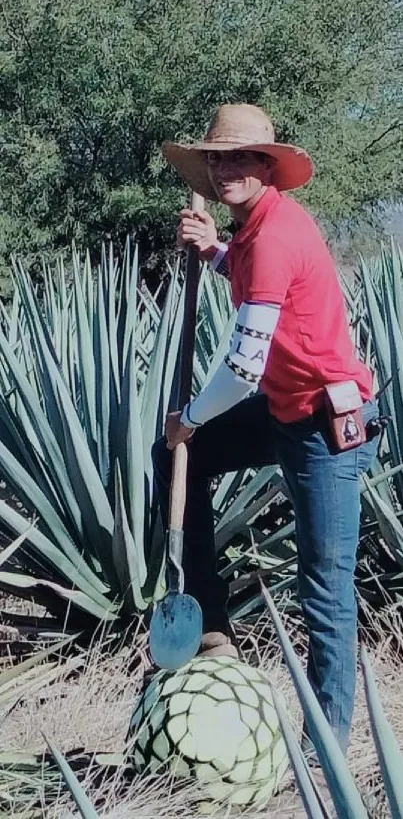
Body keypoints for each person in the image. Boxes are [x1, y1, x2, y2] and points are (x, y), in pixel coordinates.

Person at [152, 103, 380, 757]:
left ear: (266, 167)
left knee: (323, 587)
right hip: (284, 412)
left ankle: (324, 750)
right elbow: (252, 276)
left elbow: (243, 369)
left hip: (321, 429)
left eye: (240, 158)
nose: (225, 168)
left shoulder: (277, 234)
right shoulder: (254, 229)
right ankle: (210, 627)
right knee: (174, 458)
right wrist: (213, 251)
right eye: (216, 158)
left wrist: (189, 418)